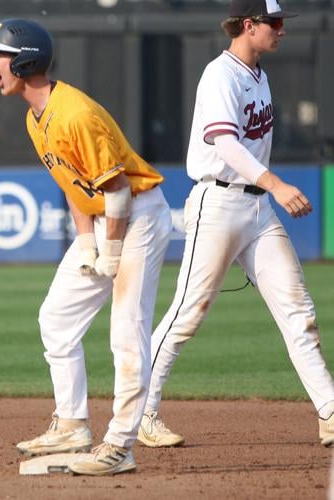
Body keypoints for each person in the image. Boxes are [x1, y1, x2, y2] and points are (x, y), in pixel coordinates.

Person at [0, 18, 172, 475]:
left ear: (24, 61)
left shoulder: (75, 114)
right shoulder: (35, 116)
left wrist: (113, 251)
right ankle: (71, 424)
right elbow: (73, 185)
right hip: (105, 219)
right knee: (57, 317)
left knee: (126, 331)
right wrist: (87, 242)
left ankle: (121, 444)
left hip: (137, 216)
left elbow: (120, 190)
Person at [137, 0, 334, 449]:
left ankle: (330, 411)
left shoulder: (259, 75)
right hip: (218, 203)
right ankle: (140, 411)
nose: (281, 30)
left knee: (298, 312)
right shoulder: (219, 74)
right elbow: (224, 143)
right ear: (249, 25)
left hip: (257, 210)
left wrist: (269, 190)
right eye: (275, 22)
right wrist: (277, 184)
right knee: (187, 314)